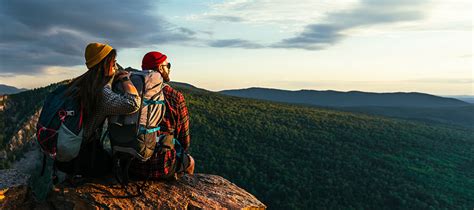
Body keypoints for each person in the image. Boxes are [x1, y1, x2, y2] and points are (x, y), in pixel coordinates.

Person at [56, 42, 141, 177]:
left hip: (66, 152)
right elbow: (133, 103)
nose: (115, 65)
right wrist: (125, 79)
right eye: (113, 62)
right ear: (104, 64)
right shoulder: (101, 93)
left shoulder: (81, 84)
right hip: (83, 155)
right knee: (113, 170)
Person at [129, 51, 194, 179]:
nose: (169, 69)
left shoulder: (132, 92)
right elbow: (184, 140)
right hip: (161, 164)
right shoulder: (174, 96)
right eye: (167, 65)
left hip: (131, 162)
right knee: (190, 162)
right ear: (160, 68)